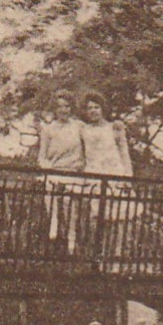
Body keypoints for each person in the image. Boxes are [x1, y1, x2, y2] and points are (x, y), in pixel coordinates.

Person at [78, 94, 133, 257]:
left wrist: (127, 177)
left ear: (103, 109)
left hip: (115, 175)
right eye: (89, 108)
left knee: (121, 218)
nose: (93, 111)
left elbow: (124, 154)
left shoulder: (114, 128)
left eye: (96, 107)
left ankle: (118, 256)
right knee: (98, 218)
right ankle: (99, 256)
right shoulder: (83, 130)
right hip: (94, 176)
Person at [37, 92, 86, 249]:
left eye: (67, 106)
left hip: (74, 173)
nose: (64, 110)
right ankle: (54, 231)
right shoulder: (48, 129)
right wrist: (48, 170)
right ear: (54, 109)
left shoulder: (79, 126)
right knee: (52, 199)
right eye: (60, 106)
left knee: (71, 210)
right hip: (55, 172)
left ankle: (71, 243)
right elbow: (42, 157)